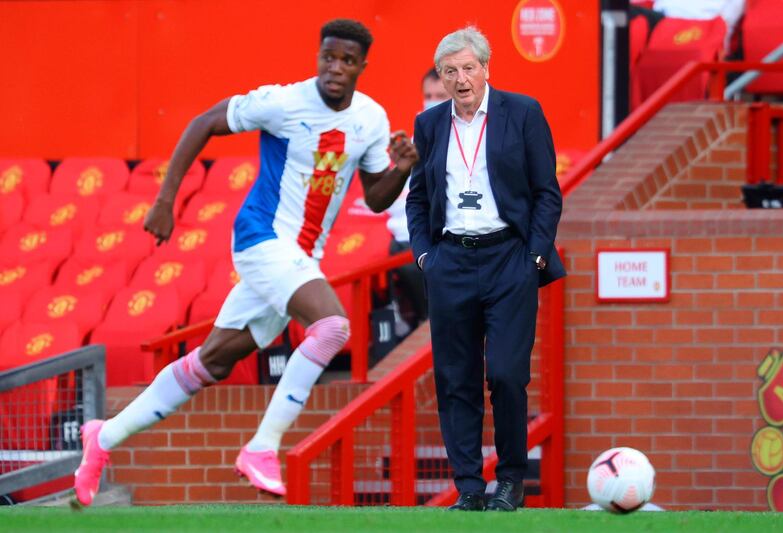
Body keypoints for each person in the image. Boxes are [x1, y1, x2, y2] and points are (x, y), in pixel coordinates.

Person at [73, 19, 418, 507]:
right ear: (317, 55)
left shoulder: (371, 120)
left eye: (346, 60)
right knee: (333, 328)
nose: (334, 68)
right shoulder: (282, 103)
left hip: (299, 256)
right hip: (262, 239)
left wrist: (403, 168)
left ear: (363, 65)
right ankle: (262, 449)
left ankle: (102, 438)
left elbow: (379, 198)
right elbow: (203, 123)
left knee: (210, 362)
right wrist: (165, 200)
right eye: (327, 56)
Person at [406, 26, 565, 512]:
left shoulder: (522, 112)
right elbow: (418, 196)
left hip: (509, 259)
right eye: (449, 71)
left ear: (486, 68)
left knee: (507, 373)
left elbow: (546, 193)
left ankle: (511, 478)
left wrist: (534, 256)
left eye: (468, 68)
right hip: (450, 259)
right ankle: (469, 487)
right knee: (456, 377)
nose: (460, 79)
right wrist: (425, 257)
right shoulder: (430, 124)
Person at [385, 68, 448, 334]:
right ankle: (421, 322)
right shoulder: (414, 139)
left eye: (439, 95)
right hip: (412, 231)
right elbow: (401, 199)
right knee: (398, 248)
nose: (432, 101)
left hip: (451, 233)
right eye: (428, 95)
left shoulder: (469, 134)